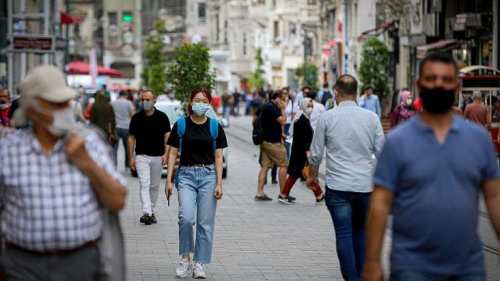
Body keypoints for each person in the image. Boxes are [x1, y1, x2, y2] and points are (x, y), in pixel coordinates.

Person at [363, 52, 500, 281]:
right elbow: (379, 203)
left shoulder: (478, 140)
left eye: (446, 80)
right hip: (411, 266)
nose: (439, 85)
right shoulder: (397, 141)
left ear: (457, 87)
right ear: (419, 85)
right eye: (431, 78)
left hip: (468, 267)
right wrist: (372, 261)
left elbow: (495, 198)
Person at [0, 65, 127, 280]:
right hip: (21, 265)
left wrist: (86, 163)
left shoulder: (90, 143)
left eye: (66, 102)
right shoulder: (9, 150)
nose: (65, 109)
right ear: (32, 109)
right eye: (55, 104)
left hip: (80, 262)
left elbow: (118, 200)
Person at [307, 74, 384, 281]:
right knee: (360, 232)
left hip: (338, 186)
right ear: (357, 93)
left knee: (343, 234)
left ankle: (352, 278)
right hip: (365, 186)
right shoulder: (371, 118)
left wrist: (312, 176)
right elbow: (382, 152)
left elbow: (315, 153)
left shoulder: (327, 118)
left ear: (336, 92)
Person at [165, 88, 227, 279]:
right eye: (197, 100)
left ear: (209, 104)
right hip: (185, 175)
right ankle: (185, 258)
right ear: (191, 103)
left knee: (205, 223)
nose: (200, 103)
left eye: (204, 100)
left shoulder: (215, 126)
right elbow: (173, 152)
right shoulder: (181, 125)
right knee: (186, 218)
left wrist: (219, 183)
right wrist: (168, 179)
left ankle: (199, 263)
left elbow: (219, 156)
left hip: (208, 175)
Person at [129, 90, 171, 225]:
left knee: (154, 186)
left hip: (158, 156)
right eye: (143, 99)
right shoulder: (136, 118)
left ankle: (152, 211)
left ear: (154, 102)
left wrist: (166, 154)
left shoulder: (162, 117)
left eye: (147, 99)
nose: (144, 102)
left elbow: (168, 137)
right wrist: (131, 157)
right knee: (144, 184)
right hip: (142, 156)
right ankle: (146, 212)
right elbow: (131, 138)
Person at [279, 98, 324, 204]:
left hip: (299, 151)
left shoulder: (303, 117)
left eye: (311, 106)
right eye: (308, 106)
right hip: (301, 152)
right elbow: (303, 138)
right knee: (304, 173)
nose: (310, 108)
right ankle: (284, 194)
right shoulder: (302, 120)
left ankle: (319, 194)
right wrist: (308, 151)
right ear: (303, 106)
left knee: (302, 173)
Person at [255, 90, 288, 201]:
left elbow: (271, 124)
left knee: (265, 166)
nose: (283, 102)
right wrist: (283, 109)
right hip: (272, 143)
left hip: (265, 141)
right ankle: (283, 194)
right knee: (284, 164)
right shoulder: (272, 108)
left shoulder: (266, 106)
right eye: (282, 99)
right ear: (277, 98)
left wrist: (281, 134)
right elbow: (283, 121)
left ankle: (259, 193)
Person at [112, 90, 136, 170]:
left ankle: (114, 164)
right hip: (126, 127)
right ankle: (127, 165)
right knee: (128, 147)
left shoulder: (113, 103)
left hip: (116, 127)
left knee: (115, 147)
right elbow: (133, 115)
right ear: (126, 95)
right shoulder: (128, 103)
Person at [283, 87, 296, 158]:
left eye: (285, 93)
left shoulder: (292, 102)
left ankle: (287, 160)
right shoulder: (280, 102)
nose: (284, 95)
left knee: (287, 144)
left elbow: (293, 114)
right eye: (283, 93)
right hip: (281, 124)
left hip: (289, 124)